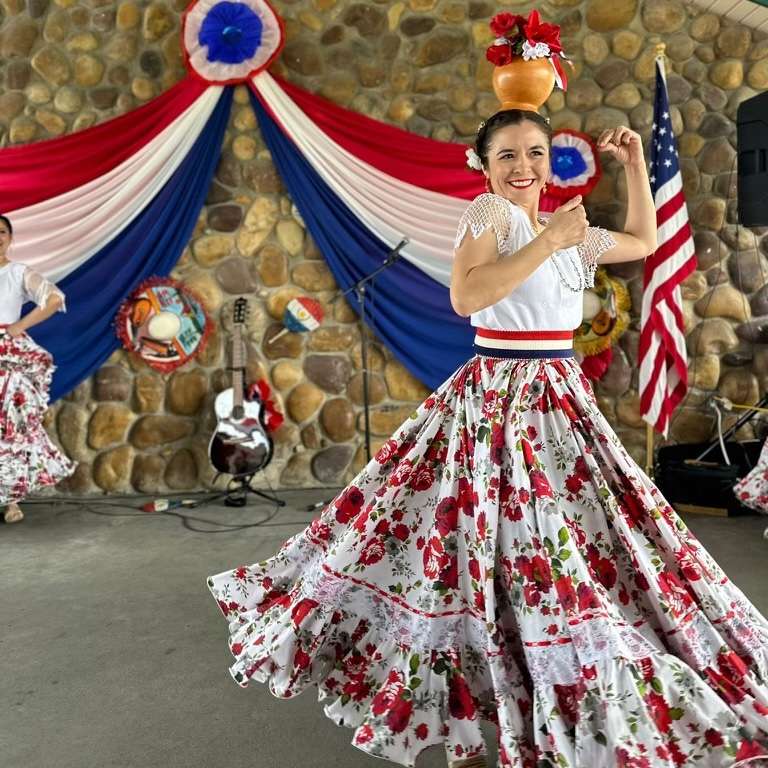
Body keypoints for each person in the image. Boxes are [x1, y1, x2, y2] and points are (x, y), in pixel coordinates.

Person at [207, 112, 768, 768]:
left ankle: (551, 675)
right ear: (484, 165)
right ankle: (480, 691)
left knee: (571, 542)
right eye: (506, 155)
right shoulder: (489, 215)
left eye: (535, 151)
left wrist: (635, 164)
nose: (523, 166)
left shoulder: (569, 231)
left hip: (560, 399)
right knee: (487, 542)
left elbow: (644, 239)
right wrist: (550, 238)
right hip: (496, 396)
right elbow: (468, 295)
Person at [0, 214, 74, 523]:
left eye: (1, 231)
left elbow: (55, 298)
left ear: (11, 237)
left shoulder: (17, 272)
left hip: (6, 352)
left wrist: (19, 326)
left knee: (10, 425)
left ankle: (10, 500)